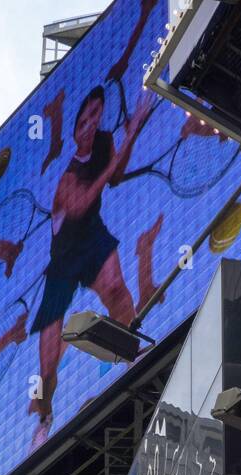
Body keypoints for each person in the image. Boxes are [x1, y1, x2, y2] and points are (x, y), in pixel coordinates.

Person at [28, 84, 154, 447]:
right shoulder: (67, 176)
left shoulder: (104, 142)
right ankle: (44, 415)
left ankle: (131, 353)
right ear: (73, 129)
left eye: (94, 116)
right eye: (83, 120)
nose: (89, 124)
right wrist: (128, 137)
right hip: (64, 257)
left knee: (116, 288)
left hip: (93, 238)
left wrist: (132, 135)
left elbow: (115, 177)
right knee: (49, 354)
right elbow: (81, 204)